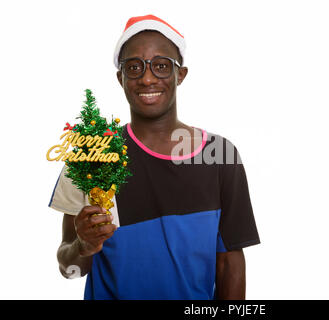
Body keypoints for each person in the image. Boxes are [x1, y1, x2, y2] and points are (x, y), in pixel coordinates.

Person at [49, 14, 260, 300]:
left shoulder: (218, 155)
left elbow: (230, 263)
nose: (147, 78)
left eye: (161, 66)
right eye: (134, 67)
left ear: (180, 74)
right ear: (120, 77)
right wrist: (82, 247)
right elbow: (68, 268)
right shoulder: (91, 157)